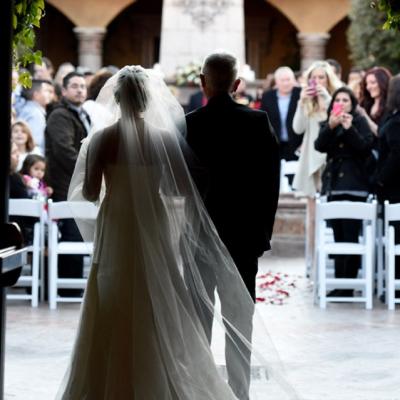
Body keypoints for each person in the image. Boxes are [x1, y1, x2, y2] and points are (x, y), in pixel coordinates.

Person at [57, 66, 296, 400]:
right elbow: (183, 187)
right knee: (158, 291)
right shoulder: (163, 138)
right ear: (146, 98)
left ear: (118, 98)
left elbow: (90, 191)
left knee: (112, 292)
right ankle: (165, 375)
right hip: (152, 221)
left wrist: (117, 185)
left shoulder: (102, 139)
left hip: (117, 223)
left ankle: (107, 381)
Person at [185, 53, 280, 399]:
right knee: (240, 322)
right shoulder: (257, 121)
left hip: (199, 235)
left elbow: (180, 184)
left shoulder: (189, 124)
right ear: (238, 84)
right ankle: (240, 394)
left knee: (198, 319)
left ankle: (200, 390)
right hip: (243, 237)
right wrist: (262, 235)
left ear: (202, 82)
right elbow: (270, 183)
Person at [314, 87, 374, 296]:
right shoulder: (329, 122)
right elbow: (319, 146)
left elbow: (365, 148)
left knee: (350, 236)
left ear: (352, 104)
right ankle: (340, 283)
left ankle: (348, 285)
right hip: (334, 185)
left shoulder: (359, 122)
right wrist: (330, 127)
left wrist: (349, 129)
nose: (341, 103)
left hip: (354, 185)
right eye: (337, 99)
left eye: (345, 100)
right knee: (338, 236)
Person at [292, 60, 342, 273]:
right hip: (312, 161)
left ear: (328, 79)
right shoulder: (307, 101)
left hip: (332, 161)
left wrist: (327, 97)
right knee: (312, 217)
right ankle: (312, 264)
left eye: (322, 77)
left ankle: (335, 260)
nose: (318, 81)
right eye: (314, 78)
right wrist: (301, 102)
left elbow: (338, 118)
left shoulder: (337, 96)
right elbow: (297, 129)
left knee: (333, 214)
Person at [45, 71, 90, 296]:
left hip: (77, 185)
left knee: (77, 233)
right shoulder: (60, 115)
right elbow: (64, 151)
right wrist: (89, 170)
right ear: (63, 91)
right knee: (72, 233)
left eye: (82, 86)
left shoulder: (82, 113)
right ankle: (68, 289)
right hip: (65, 184)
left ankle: (72, 285)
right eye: (74, 86)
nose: (80, 90)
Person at [374, 75, 400, 297]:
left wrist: (380, 179)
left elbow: (396, 154)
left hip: (394, 188)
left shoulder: (396, 122)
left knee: (396, 238)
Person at [261, 66, 303, 161]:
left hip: (297, 145)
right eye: (282, 80)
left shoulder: (301, 94)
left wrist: (304, 143)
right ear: (276, 81)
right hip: (274, 145)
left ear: (293, 80)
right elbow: (263, 120)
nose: (285, 83)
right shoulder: (267, 96)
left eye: (288, 79)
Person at [17, 79, 53, 154]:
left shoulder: (28, 109)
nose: (49, 94)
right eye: (46, 91)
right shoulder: (35, 114)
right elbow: (35, 143)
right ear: (36, 95)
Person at [359, 66, 392, 136]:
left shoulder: (391, 107)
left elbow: (382, 134)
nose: (368, 87)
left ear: (383, 83)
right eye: (367, 83)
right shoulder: (365, 104)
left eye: (373, 82)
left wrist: (365, 116)